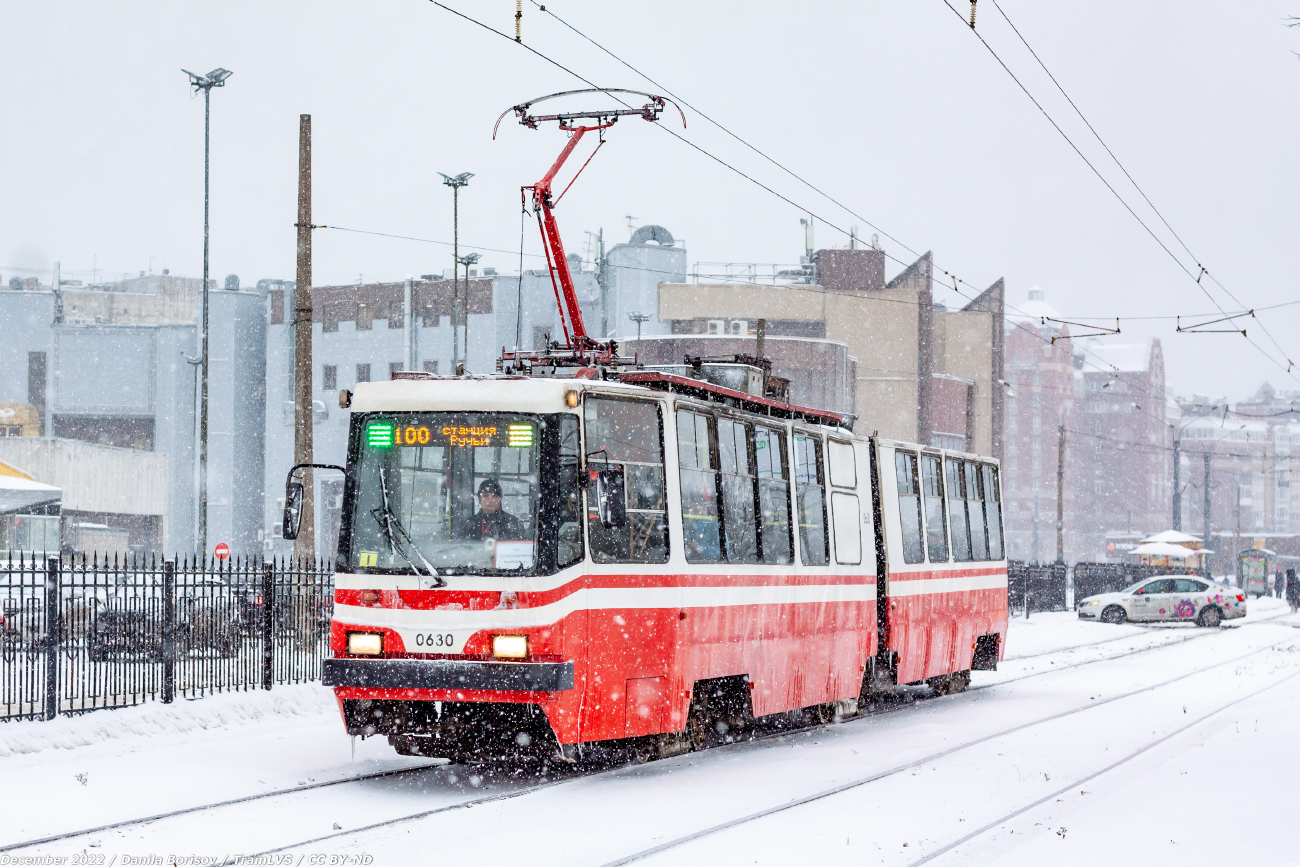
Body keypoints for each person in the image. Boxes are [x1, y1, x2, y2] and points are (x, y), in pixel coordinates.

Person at [456, 478, 526, 541]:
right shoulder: (470, 523)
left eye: (495, 496)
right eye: (486, 496)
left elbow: (521, 548)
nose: (490, 500)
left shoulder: (512, 522)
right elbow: (460, 547)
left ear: (500, 498)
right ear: (479, 498)